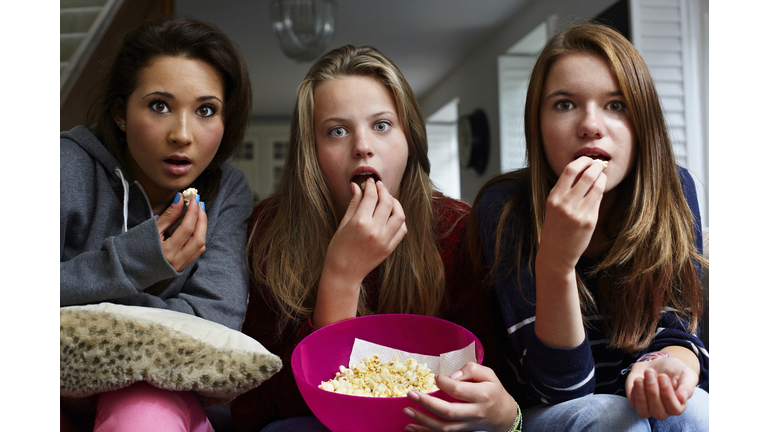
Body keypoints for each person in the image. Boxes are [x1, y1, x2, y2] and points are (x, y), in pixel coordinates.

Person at [230, 45, 517, 432]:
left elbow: (496, 386)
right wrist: (340, 278)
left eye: (381, 125)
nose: (362, 146)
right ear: (310, 154)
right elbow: (256, 413)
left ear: (410, 139)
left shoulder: (456, 228)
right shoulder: (270, 230)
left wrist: (506, 416)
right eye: (337, 131)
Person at [469, 22, 709, 430]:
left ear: (642, 122)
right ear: (538, 126)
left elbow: (681, 336)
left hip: (632, 392)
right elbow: (561, 389)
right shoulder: (506, 209)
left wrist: (666, 367)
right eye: (565, 105)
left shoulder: (672, 188)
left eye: (616, 105)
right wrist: (558, 263)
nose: (591, 125)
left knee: (696, 409)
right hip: (546, 409)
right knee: (610, 415)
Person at [60, 16, 253, 432]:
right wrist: (136, 261)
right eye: (159, 105)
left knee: (141, 412)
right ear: (120, 112)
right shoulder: (64, 166)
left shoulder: (226, 190)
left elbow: (214, 323)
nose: (182, 134)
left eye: (205, 110)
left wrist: (78, 306)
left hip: (164, 395)